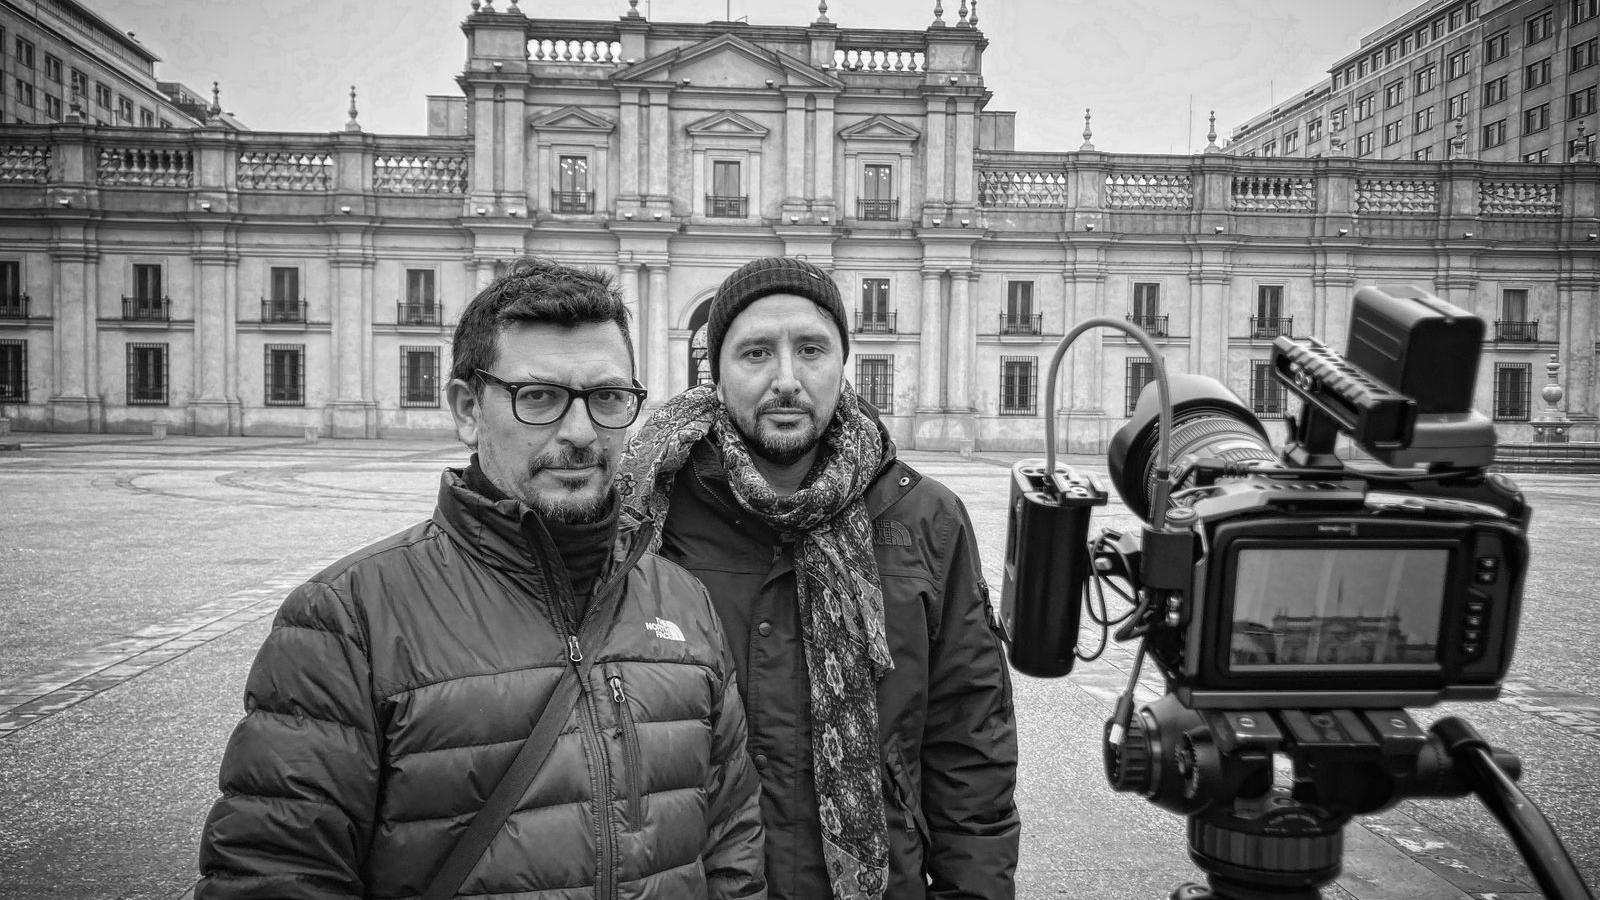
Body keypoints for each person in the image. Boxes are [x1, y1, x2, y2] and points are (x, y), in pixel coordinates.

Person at [197, 259, 765, 899]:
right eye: (539, 397)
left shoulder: (682, 601)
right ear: (467, 409)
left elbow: (730, 840)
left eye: (607, 397)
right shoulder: (345, 623)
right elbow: (276, 875)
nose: (580, 432)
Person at [617, 256, 1019, 900]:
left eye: (811, 349)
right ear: (715, 372)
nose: (786, 379)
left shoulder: (926, 519)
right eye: (754, 353)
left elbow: (969, 745)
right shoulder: (649, 516)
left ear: (842, 363)